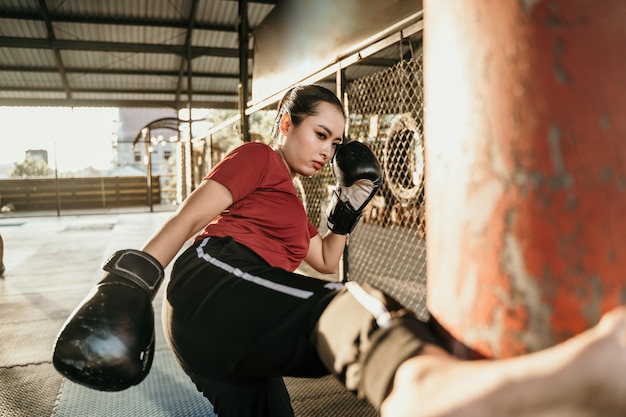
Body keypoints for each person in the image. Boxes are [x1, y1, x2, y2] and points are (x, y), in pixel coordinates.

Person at [52, 84, 626, 417]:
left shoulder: (297, 200)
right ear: (287, 124)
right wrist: (130, 281)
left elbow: (323, 259)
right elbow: (194, 215)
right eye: (319, 134)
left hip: (235, 327)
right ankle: (420, 385)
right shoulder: (259, 158)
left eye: (335, 140)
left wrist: (349, 204)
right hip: (215, 282)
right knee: (347, 303)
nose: (327, 149)